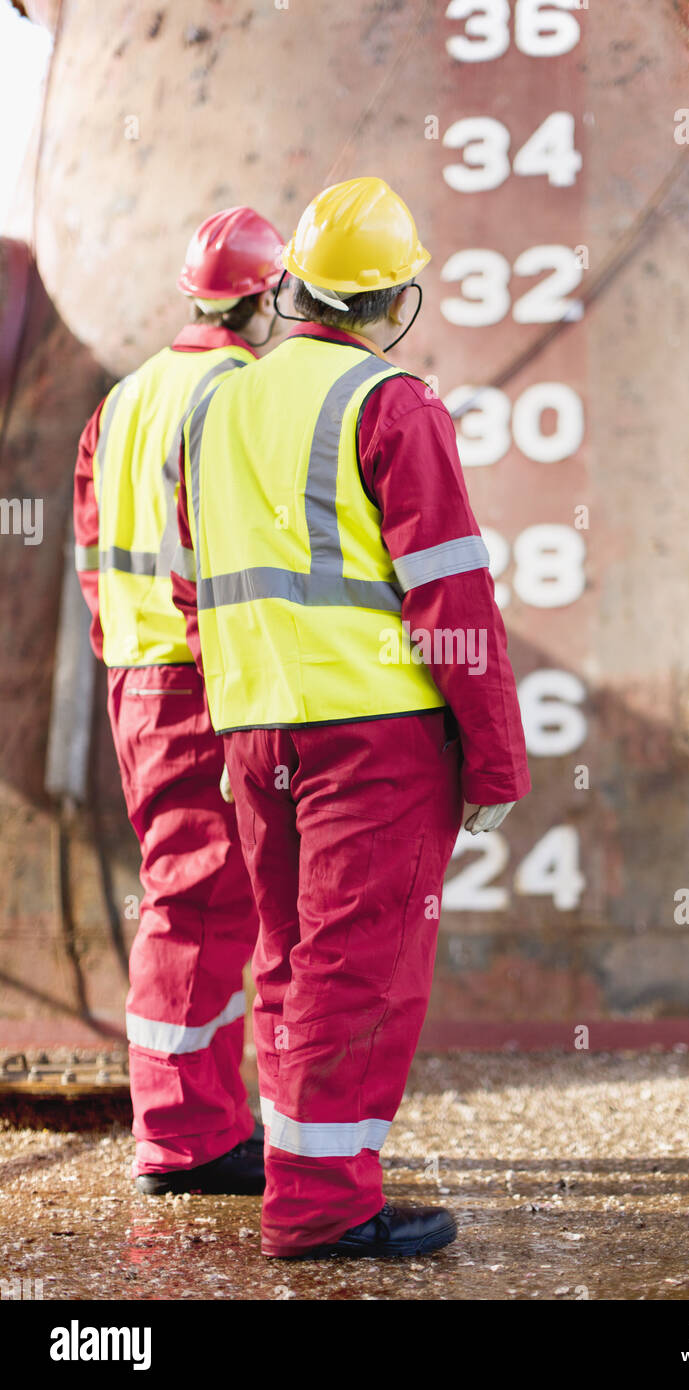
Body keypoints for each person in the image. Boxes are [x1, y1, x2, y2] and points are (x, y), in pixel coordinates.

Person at [171, 176, 530, 1256]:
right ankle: (322, 1204)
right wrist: (498, 764)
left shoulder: (217, 404)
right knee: (356, 964)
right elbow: (450, 592)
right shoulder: (392, 403)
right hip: (371, 736)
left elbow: (194, 587)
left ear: (295, 293)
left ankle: (303, 1165)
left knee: (287, 956)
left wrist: (244, 698)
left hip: (253, 729)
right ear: (394, 303)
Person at [73, 206, 286, 1195]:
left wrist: (127, 648)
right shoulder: (237, 394)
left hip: (136, 674)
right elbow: (228, 551)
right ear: (265, 296)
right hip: (202, 679)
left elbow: (88, 549)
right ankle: (186, 1137)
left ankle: (202, 1121)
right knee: (201, 907)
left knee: (195, 902)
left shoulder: (123, 400)